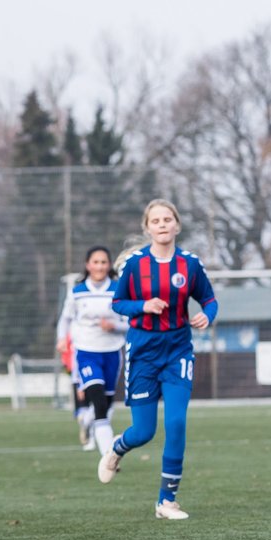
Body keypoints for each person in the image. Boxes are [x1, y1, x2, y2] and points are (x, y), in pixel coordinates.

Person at [97, 199, 219, 520]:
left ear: (177, 225)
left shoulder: (190, 264)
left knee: (177, 423)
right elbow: (118, 303)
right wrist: (143, 306)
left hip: (178, 351)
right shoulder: (135, 265)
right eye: (156, 220)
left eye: (168, 219)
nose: (163, 224)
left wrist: (207, 314)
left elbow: (209, 298)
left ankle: (166, 501)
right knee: (144, 431)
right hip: (143, 353)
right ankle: (116, 449)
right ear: (147, 228)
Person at [56, 247, 128, 457]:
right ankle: (108, 454)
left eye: (103, 262)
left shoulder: (118, 290)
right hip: (86, 351)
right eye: (95, 262)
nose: (99, 266)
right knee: (96, 399)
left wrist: (114, 326)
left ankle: (87, 423)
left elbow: (131, 323)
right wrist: (62, 339)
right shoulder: (77, 292)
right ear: (88, 265)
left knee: (105, 404)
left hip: (112, 352)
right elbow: (65, 319)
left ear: (109, 265)